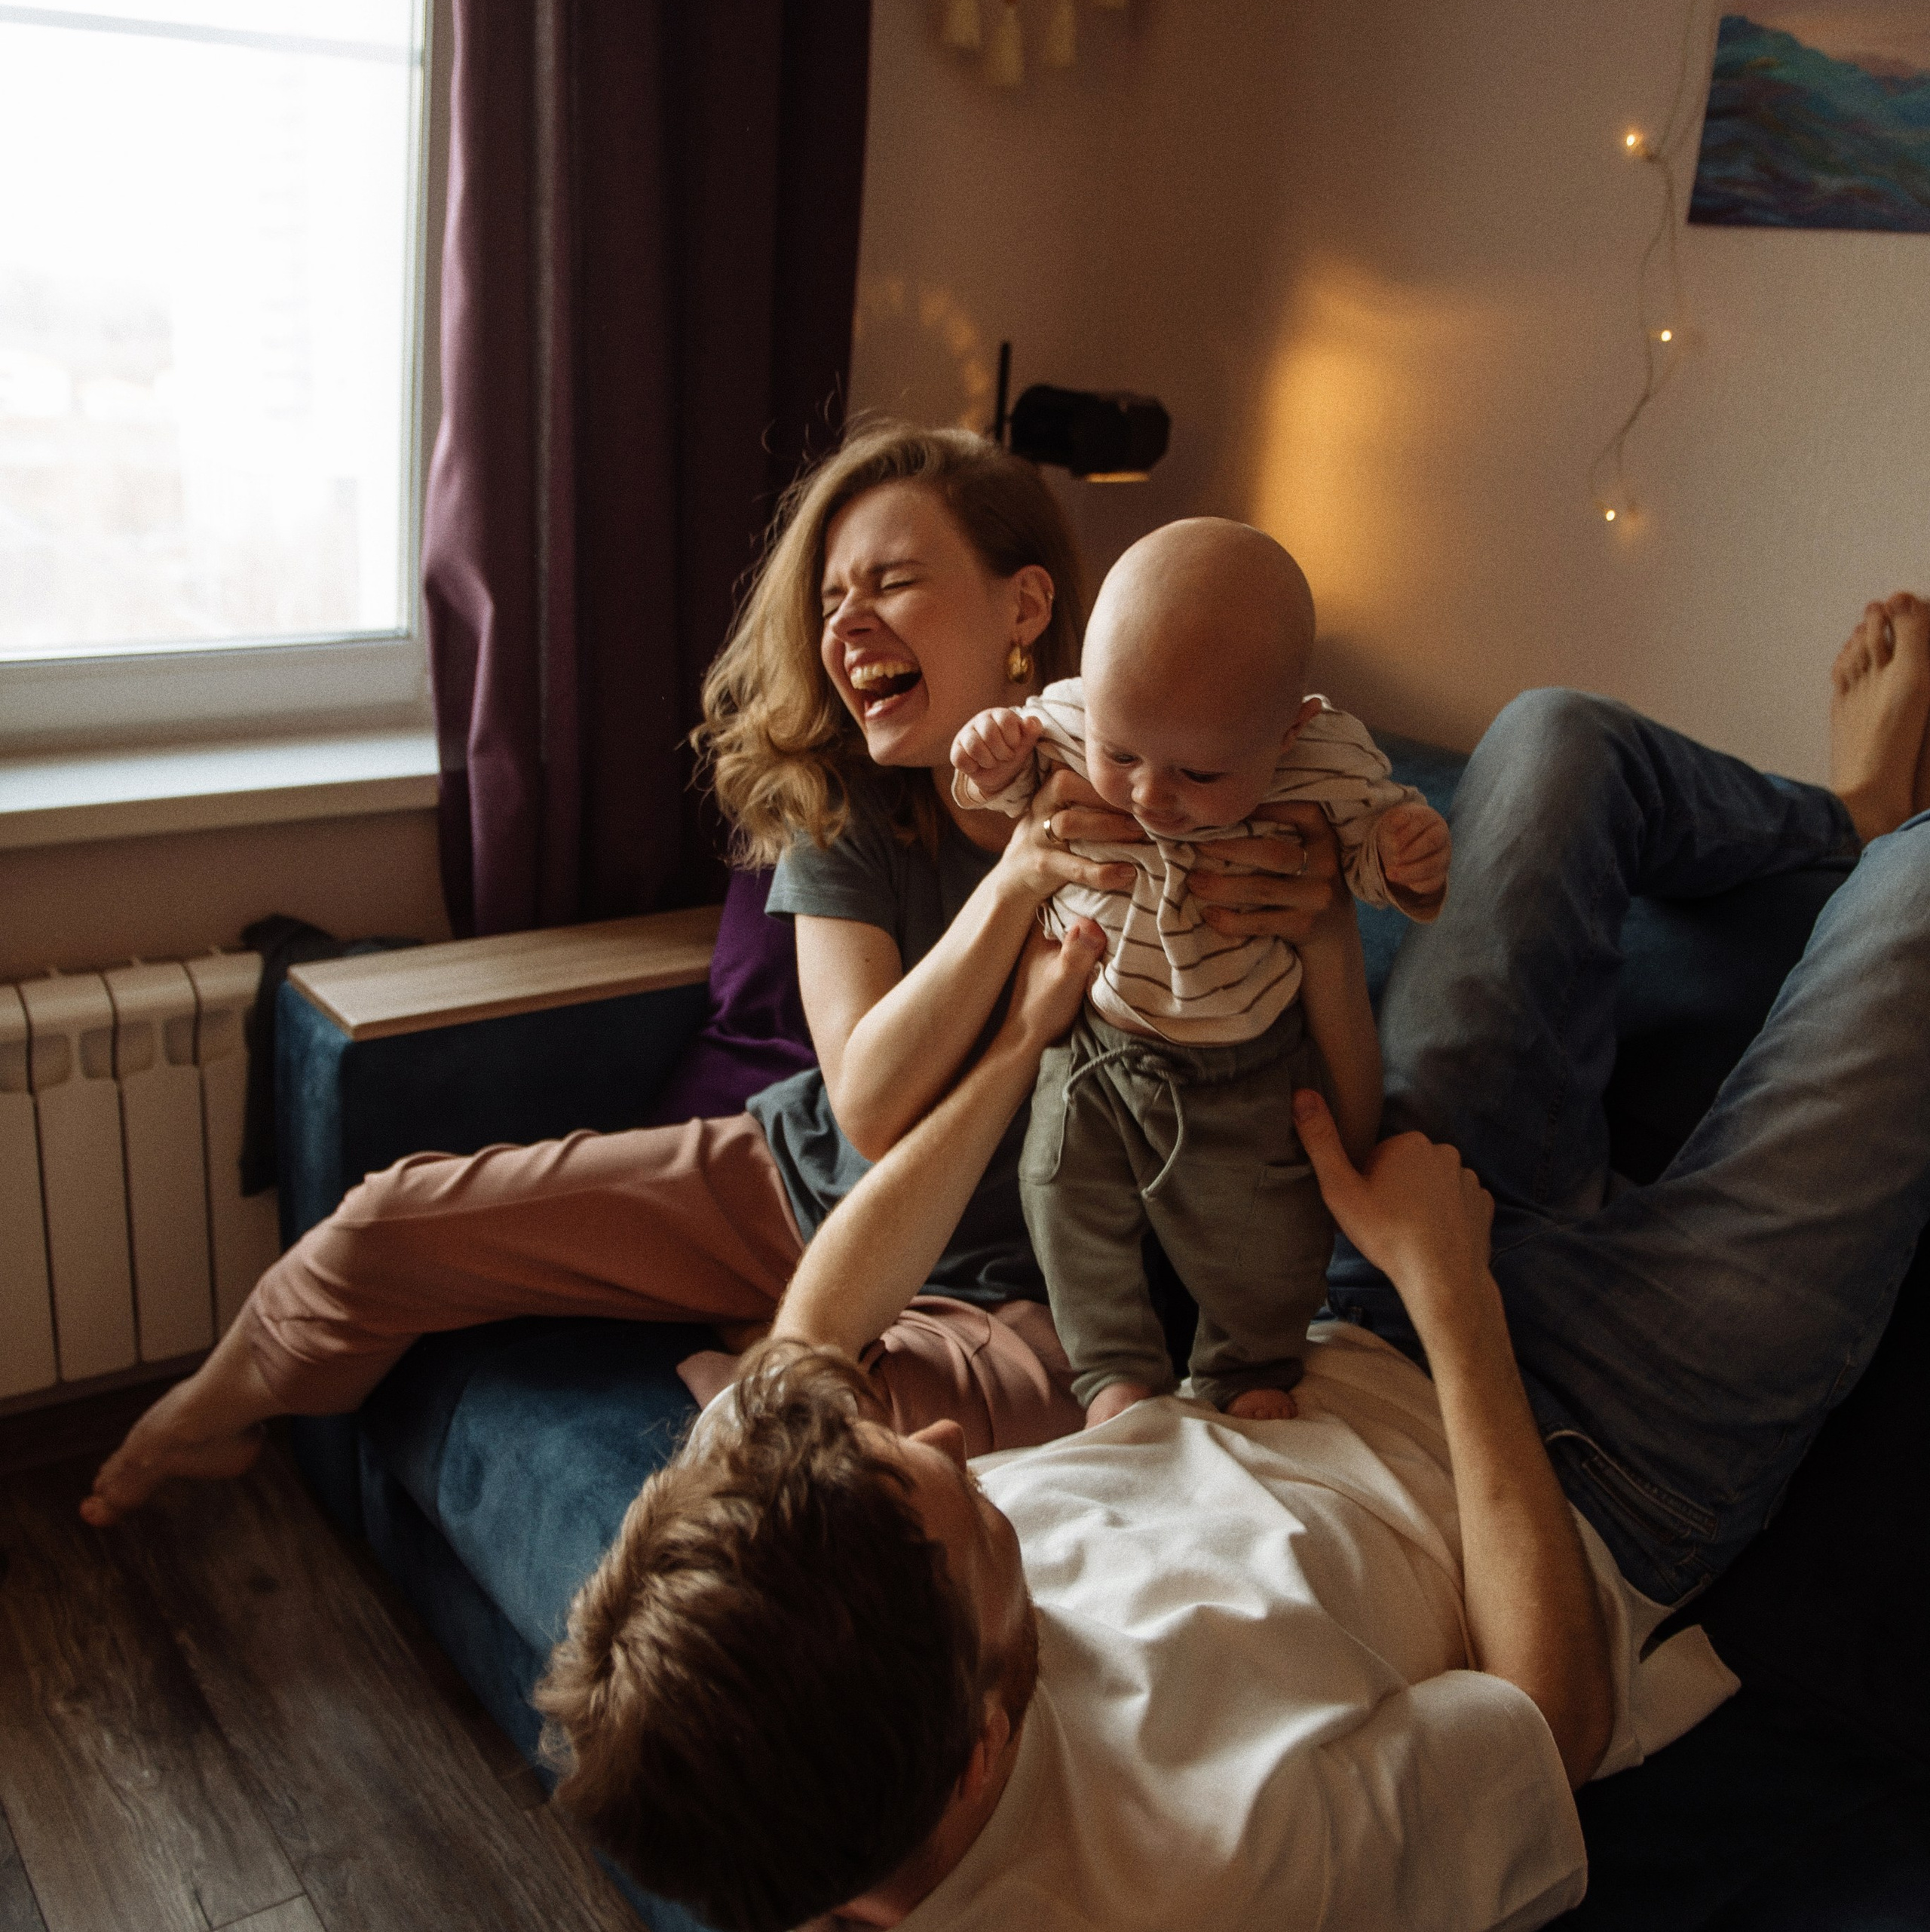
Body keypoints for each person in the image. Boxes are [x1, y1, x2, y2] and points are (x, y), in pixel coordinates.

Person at [534, 595, 1930, 1931]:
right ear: (980, 1751)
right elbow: (1551, 1719)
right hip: (1601, 1466)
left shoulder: (771, 1575)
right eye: (967, 1513)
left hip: (1343, 1296)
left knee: (1556, 737)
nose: (954, 1438)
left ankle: (1850, 806)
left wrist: (1026, 1036)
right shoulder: (1212, 1874)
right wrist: (1455, 1297)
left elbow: (815, 1329)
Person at [81, 421, 1330, 1526]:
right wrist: (1012, 885)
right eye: (832, 597)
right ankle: (202, 1414)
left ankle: (759, 1352)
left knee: (803, 1463)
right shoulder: (851, 810)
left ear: (1024, 607)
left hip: (1013, 1285)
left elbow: (1292, 1021)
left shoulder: (1163, 795)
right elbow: (868, 1103)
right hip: (792, 1183)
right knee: (387, 1220)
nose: (846, 624)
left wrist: (1322, 907)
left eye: (892, 579)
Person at [950, 517, 1451, 1423]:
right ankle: (1111, 1371)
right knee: (1060, 1196)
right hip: (1094, 1046)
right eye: (1121, 755)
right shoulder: (1069, 715)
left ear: (1289, 731)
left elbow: (1372, 847)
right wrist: (989, 758)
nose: (1149, 795)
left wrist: (1404, 855)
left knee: (1265, 1234)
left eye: (1199, 774)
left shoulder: (1325, 759)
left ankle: (1247, 1366)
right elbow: (1007, 789)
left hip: (1246, 1064)